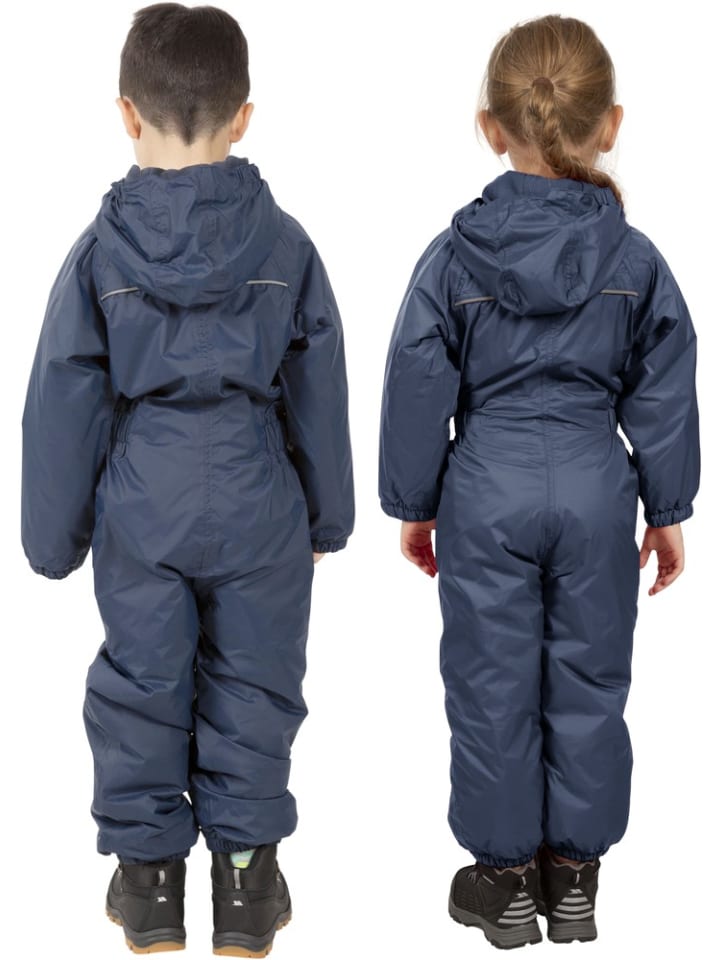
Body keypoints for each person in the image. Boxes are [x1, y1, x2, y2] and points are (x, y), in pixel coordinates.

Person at [21, 3, 354, 955]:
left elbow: (63, 399)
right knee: (255, 684)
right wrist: (325, 519)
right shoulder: (286, 246)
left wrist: (55, 538)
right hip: (259, 500)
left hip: (145, 504)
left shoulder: (98, 254)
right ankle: (246, 886)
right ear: (244, 116)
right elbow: (317, 388)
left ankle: (149, 886)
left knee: (141, 682)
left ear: (127, 114)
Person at [378, 13, 700, 951]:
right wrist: (667, 507)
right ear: (612, 124)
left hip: (487, 489)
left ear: (490, 127)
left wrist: (417, 502)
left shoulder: (453, 258)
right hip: (599, 490)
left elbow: (416, 381)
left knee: (492, 688)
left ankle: (505, 882)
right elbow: (665, 384)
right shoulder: (636, 261)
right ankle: (577, 881)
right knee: (591, 683)